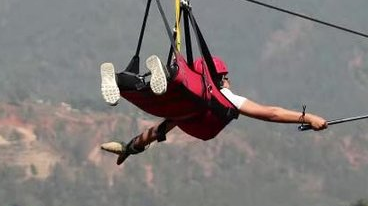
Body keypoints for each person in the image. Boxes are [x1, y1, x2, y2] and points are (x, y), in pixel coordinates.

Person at [99, 55, 328, 165]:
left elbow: (155, 132)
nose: (228, 81)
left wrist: (130, 148)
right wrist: (307, 118)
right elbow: (270, 113)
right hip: (194, 113)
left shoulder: (183, 109)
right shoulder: (223, 97)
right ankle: (166, 75)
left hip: (178, 106)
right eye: (225, 77)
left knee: (146, 87)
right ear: (218, 78)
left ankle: (122, 80)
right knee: (172, 89)